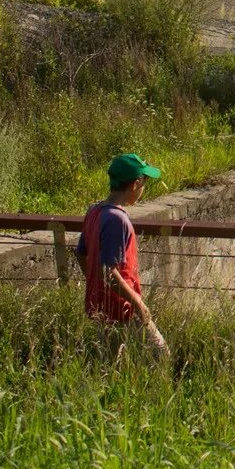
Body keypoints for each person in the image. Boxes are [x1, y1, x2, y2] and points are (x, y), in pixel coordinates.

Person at [74, 152, 169, 360]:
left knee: (113, 362)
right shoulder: (117, 219)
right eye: (144, 183)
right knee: (161, 356)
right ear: (135, 184)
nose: (143, 189)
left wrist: (94, 284)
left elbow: (81, 253)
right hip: (122, 309)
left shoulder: (94, 211)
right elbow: (109, 272)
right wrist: (138, 304)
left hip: (100, 305)